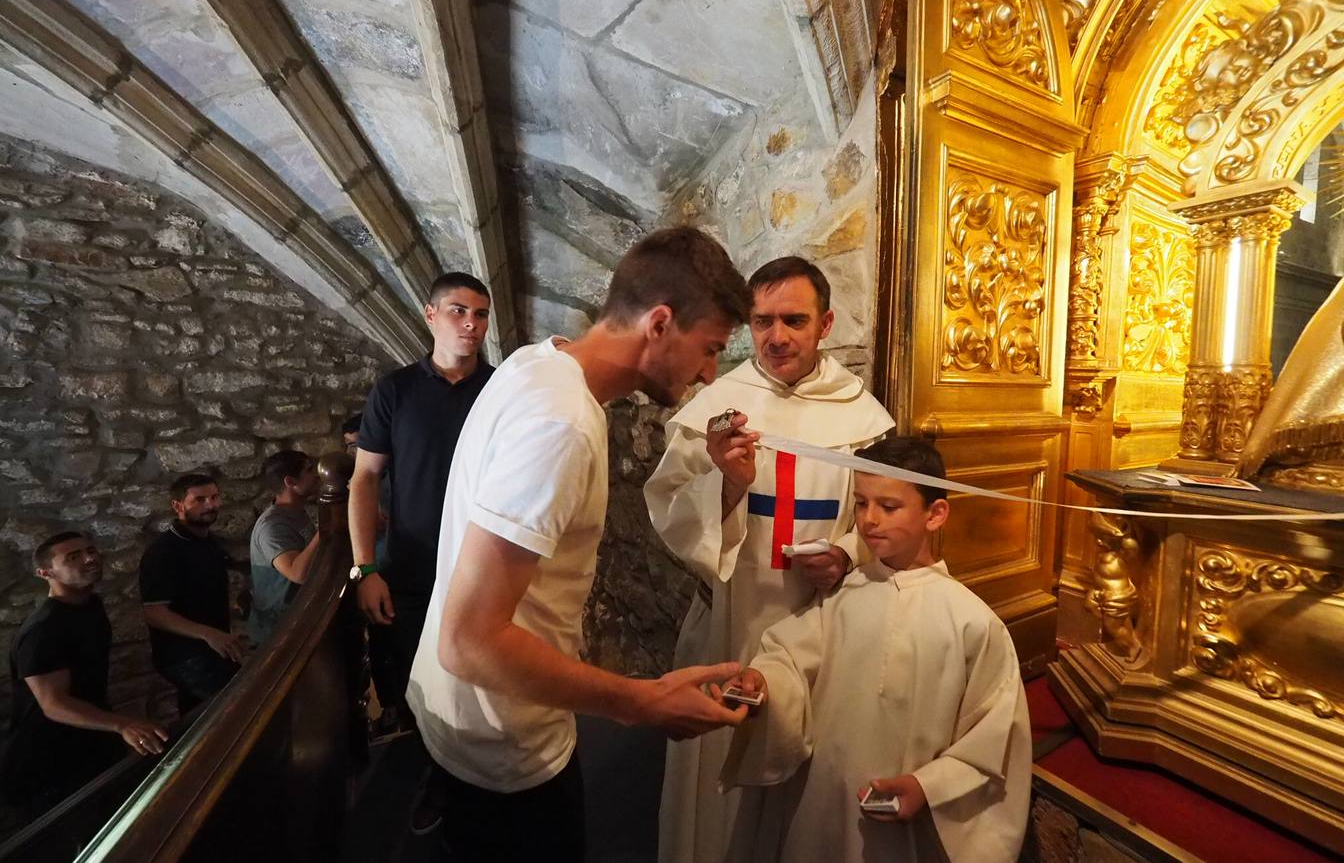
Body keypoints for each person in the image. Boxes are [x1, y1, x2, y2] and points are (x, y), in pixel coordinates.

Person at [406, 227, 755, 863]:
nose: (709, 373)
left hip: (462, 720)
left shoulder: (539, 360)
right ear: (659, 322)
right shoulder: (560, 424)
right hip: (505, 745)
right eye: (709, 349)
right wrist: (643, 703)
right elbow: (471, 638)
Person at [646, 255, 894, 862]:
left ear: (825, 323)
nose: (777, 337)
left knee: (804, 786)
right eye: (762, 322)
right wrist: (726, 487)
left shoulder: (861, 417)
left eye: (794, 320)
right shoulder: (720, 405)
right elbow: (668, 507)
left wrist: (845, 553)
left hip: (820, 622)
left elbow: (885, 510)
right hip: (730, 619)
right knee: (716, 789)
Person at [718, 437, 1032, 863]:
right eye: (861, 503)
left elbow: (993, 733)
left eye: (888, 506)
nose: (868, 520)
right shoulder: (844, 593)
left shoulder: (972, 622)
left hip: (904, 820)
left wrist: (927, 786)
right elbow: (789, 658)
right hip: (823, 803)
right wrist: (763, 681)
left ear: (935, 514)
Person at [348, 271, 494, 830]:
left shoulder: (499, 388)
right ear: (430, 315)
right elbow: (364, 480)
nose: (471, 325)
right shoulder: (395, 391)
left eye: (480, 315)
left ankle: (483, 787)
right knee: (420, 689)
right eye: (458, 311)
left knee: (483, 686)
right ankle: (439, 778)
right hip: (411, 569)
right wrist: (366, 568)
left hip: (485, 567)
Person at [3, 532, 168, 821]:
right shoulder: (44, 630)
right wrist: (123, 724)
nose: (90, 558)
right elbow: (53, 704)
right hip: (47, 762)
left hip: (89, 743)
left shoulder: (90, 606)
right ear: (46, 572)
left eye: (90, 550)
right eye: (73, 557)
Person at [140, 473, 245, 713]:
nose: (211, 505)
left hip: (211, 648)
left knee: (199, 715)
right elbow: (154, 612)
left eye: (214, 497)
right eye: (199, 500)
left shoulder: (207, 541)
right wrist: (209, 634)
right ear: (178, 506)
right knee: (236, 708)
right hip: (183, 654)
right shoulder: (164, 552)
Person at [246, 451, 321, 645]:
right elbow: (297, 573)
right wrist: (327, 527)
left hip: (298, 619)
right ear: (290, 481)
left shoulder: (295, 512)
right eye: (310, 470)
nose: (317, 475)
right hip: (278, 629)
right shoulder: (273, 526)